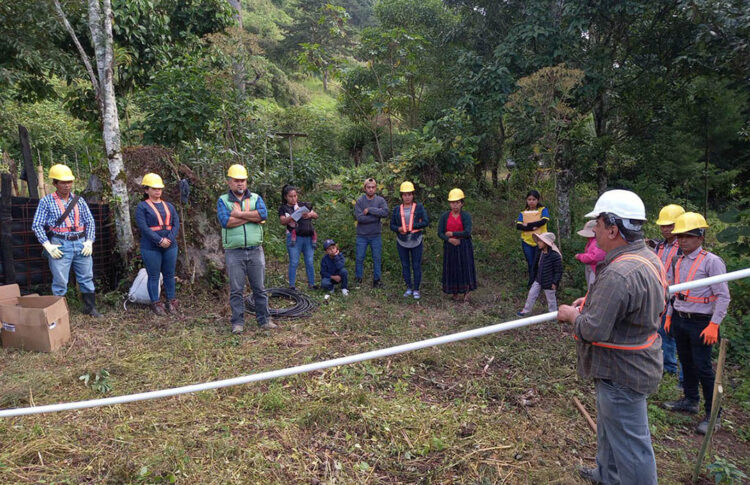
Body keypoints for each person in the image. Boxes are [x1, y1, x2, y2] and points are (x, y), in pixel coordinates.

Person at [557, 189, 666, 485]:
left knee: (632, 447)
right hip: (627, 365)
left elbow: (592, 330)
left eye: (598, 224)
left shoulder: (619, 273)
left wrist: (572, 315)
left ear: (614, 229)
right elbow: (631, 303)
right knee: (609, 430)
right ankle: (607, 475)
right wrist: (595, 302)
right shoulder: (647, 258)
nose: (594, 231)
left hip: (622, 372)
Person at [662, 212, 731, 435]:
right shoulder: (678, 260)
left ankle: (713, 414)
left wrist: (714, 324)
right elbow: (674, 292)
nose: (682, 241)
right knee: (686, 362)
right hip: (681, 318)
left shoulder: (712, 262)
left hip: (701, 322)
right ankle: (690, 399)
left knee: (703, 367)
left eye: (688, 236)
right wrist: (670, 315)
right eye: (680, 236)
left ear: (700, 238)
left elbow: (723, 296)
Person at [31, 164, 101, 317]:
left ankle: (90, 308)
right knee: (60, 281)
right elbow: (37, 225)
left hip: (81, 243)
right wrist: (47, 245)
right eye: (63, 182)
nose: (67, 185)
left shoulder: (79, 201)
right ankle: (59, 312)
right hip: (60, 244)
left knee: (86, 277)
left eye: (69, 182)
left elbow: (89, 221)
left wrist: (89, 241)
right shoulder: (46, 201)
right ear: (55, 183)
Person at [216, 164, 276, 334]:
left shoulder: (256, 198)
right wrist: (252, 217)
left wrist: (238, 214)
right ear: (229, 182)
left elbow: (263, 215)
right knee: (236, 290)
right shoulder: (223, 200)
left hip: (255, 250)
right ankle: (237, 323)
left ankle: (264, 320)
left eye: (242, 180)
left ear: (246, 181)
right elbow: (225, 222)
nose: (240, 183)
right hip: (234, 252)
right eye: (236, 180)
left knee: (260, 288)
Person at [135, 173, 180, 315]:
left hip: (170, 246)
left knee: (169, 274)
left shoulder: (169, 206)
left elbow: (176, 224)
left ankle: (171, 301)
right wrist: (159, 240)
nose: (157, 191)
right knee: (153, 275)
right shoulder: (142, 207)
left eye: (159, 188)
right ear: (146, 190)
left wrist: (169, 239)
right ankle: (156, 303)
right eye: (154, 188)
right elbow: (143, 227)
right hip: (151, 247)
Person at [653, 203, 685, 377]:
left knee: (676, 334)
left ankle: (676, 369)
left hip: (676, 297)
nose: (665, 229)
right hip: (660, 295)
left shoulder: (683, 247)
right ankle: (667, 366)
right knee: (661, 331)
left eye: (669, 226)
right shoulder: (660, 246)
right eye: (663, 226)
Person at [389, 181, 429, 300]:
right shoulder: (397, 209)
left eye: (409, 194)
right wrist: (399, 229)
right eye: (405, 195)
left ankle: (416, 289)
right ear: (401, 196)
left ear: (413, 195)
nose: (407, 197)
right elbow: (392, 225)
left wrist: (412, 226)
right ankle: (408, 288)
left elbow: (426, 222)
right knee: (405, 265)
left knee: (416, 265)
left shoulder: (419, 207)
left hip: (416, 240)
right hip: (402, 241)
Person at [438, 188, 477, 301]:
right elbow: (440, 232)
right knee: (452, 268)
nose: (455, 205)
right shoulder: (445, 216)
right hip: (450, 246)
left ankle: (467, 292)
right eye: (452, 203)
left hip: (464, 245)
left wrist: (453, 234)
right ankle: (454, 293)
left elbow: (467, 231)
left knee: (466, 268)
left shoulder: (466, 216)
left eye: (457, 202)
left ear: (462, 203)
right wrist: (449, 239)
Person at [278, 184, 318, 290]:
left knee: (309, 261)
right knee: (294, 261)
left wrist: (309, 214)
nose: (293, 198)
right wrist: (294, 215)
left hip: (308, 236)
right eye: (290, 196)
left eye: (295, 196)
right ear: (286, 197)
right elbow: (283, 221)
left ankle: (312, 284)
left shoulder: (303, 205)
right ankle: (292, 285)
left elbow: (315, 215)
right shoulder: (284, 208)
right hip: (294, 237)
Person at [354, 178, 389, 288]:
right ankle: (358, 279)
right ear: (365, 188)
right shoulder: (360, 201)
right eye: (368, 187)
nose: (371, 189)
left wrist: (370, 210)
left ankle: (377, 281)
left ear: (376, 188)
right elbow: (360, 218)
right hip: (362, 236)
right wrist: (376, 217)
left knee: (377, 259)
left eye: (373, 187)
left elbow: (385, 212)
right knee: (359, 258)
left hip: (376, 235)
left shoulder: (380, 200)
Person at [517, 232, 562, 316]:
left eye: (540, 241)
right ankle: (526, 311)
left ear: (546, 243)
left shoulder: (555, 256)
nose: (538, 243)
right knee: (531, 294)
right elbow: (536, 265)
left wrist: (555, 282)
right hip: (538, 279)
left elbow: (558, 271)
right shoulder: (539, 252)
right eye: (539, 241)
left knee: (551, 300)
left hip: (549, 281)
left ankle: (553, 316)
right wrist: (534, 276)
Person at [516, 190, 550, 288]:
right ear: (526, 200)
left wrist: (527, 225)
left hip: (540, 241)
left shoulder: (543, 210)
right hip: (526, 241)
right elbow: (518, 226)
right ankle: (532, 283)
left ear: (538, 200)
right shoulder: (523, 213)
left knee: (538, 263)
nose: (531, 202)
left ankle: (538, 282)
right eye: (529, 199)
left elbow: (543, 221)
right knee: (530, 262)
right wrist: (533, 227)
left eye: (534, 199)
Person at [574, 220, 606, 289]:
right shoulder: (592, 241)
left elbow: (595, 257)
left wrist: (580, 256)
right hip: (592, 268)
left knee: (593, 288)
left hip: (596, 269)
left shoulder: (598, 241)